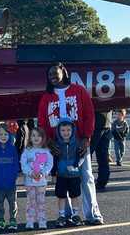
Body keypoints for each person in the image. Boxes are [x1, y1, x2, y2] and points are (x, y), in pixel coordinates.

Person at [37, 63, 102, 225]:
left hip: (78, 143)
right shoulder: (46, 97)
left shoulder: (78, 91)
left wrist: (86, 138)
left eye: (55, 72)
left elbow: (89, 115)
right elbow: (42, 122)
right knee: (62, 179)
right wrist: (49, 142)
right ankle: (67, 214)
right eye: (49, 73)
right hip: (57, 146)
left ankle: (93, 214)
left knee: (86, 177)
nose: (52, 75)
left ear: (63, 71)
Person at [20, 126, 52, 230]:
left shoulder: (46, 151)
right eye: (33, 135)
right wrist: (29, 172)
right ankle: (30, 221)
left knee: (41, 202)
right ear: (29, 138)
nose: (36, 138)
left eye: (39, 135)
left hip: (41, 182)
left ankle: (42, 221)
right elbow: (23, 164)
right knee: (31, 202)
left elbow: (49, 164)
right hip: (29, 182)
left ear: (43, 138)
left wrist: (43, 173)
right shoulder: (27, 151)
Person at [52, 119, 83, 227]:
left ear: (73, 130)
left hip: (74, 175)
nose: (66, 132)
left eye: (68, 130)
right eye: (63, 130)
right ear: (58, 131)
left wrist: (76, 165)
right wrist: (53, 173)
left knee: (74, 195)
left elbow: (81, 157)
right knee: (61, 196)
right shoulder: (56, 144)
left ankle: (75, 215)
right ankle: (61, 215)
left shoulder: (77, 143)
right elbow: (54, 160)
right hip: (61, 175)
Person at [0, 124, 20, 230]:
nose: (3, 136)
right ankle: (1, 220)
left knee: (13, 203)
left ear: (9, 135)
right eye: (0, 134)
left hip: (11, 183)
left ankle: (13, 219)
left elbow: (16, 164)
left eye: (5, 134)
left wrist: (14, 177)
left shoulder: (12, 149)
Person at [93, 110, 112, 191]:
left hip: (96, 124)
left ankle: (85, 180)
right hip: (107, 123)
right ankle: (102, 181)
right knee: (103, 156)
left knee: (87, 154)